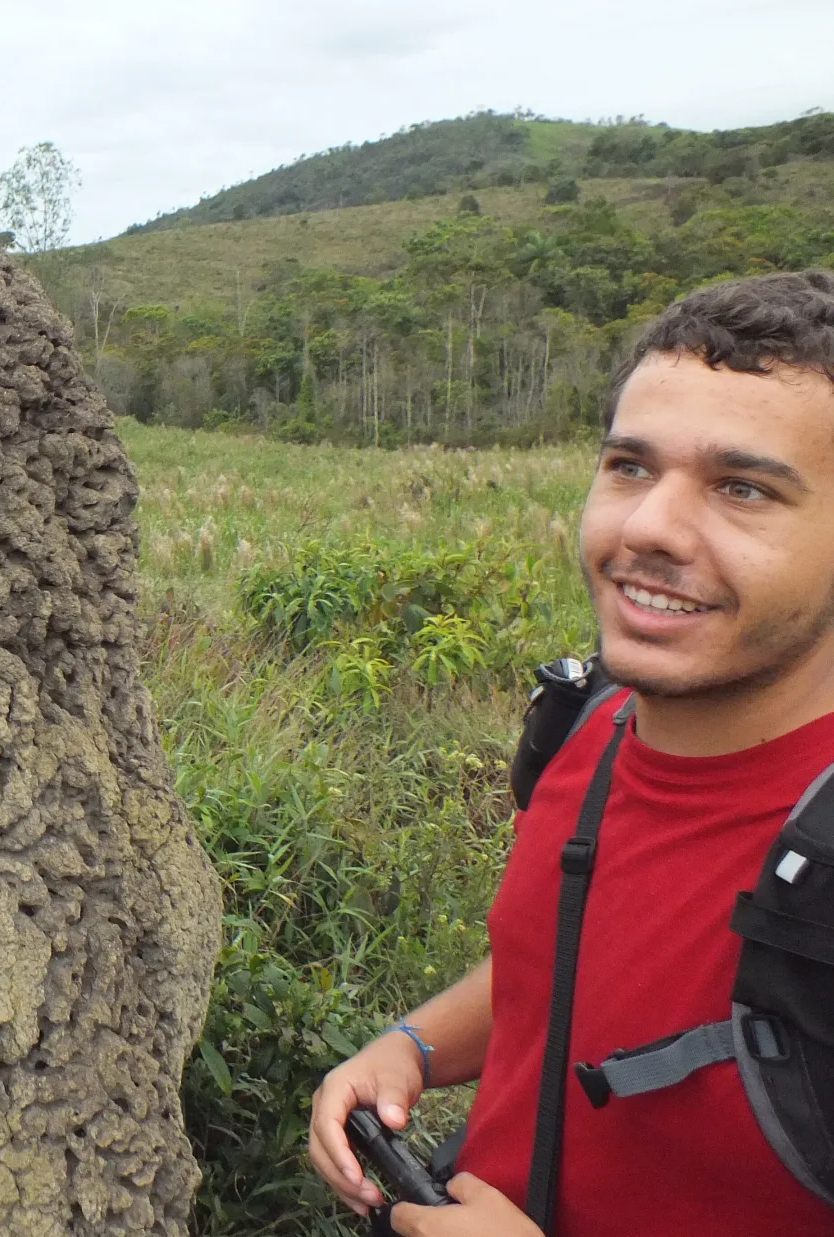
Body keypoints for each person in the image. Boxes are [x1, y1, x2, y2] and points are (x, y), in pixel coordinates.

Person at [308, 268, 834, 1237]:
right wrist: (414, 1045)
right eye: (631, 466)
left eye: (743, 488)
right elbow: (559, 960)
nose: (649, 526)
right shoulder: (588, 723)